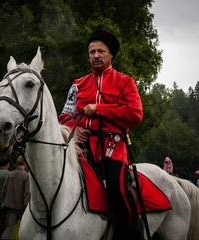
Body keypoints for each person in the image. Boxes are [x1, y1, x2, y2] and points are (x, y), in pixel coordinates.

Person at [59, 30, 143, 240]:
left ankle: (131, 234)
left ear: (110, 54)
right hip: (81, 148)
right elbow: (64, 116)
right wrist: (73, 129)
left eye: (100, 51)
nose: (95, 55)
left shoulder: (125, 82)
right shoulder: (77, 84)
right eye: (92, 52)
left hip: (112, 149)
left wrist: (99, 109)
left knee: (118, 191)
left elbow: (135, 114)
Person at [1, 156, 30, 240]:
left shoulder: (9, 174)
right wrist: (27, 207)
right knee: (28, 229)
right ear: (25, 164)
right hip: (22, 208)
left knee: (8, 229)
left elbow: (4, 190)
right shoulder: (26, 176)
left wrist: (4, 202)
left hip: (10, 207)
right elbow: (27, 193)